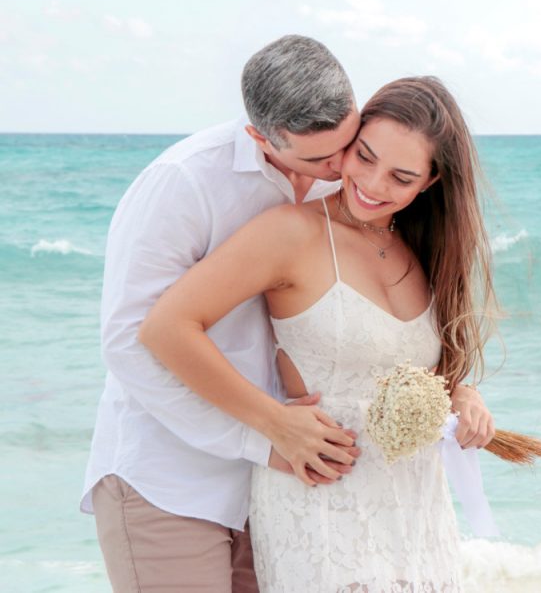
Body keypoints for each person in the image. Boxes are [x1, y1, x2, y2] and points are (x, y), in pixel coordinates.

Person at [81, 36, 493, 592]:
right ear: (261, 137)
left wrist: (457, 394)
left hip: (293, 480)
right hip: (172, 474)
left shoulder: (366, 196)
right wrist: (266, 433)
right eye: (331, 159)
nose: (349, 174)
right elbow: (136, 339)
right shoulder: (185, 183)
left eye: (349, 146)